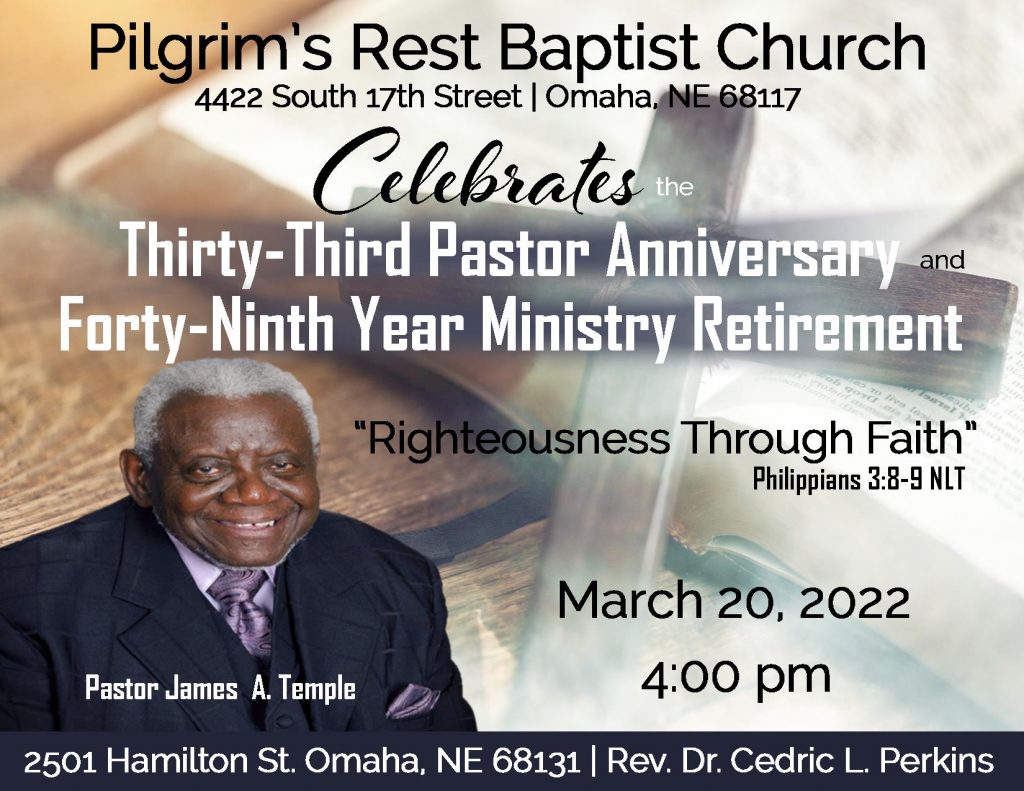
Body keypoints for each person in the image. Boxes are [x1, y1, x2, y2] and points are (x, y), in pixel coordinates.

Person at [0, 358, 476, 731]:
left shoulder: (401, 577)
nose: (253, 493)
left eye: (284, 465)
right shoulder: (24, 605)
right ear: (140, 478)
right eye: (209, 469)